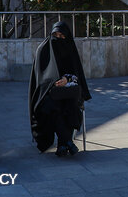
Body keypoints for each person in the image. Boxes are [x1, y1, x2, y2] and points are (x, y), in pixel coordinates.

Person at [29, 21, 91, 156]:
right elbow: (41, 78)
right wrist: (55, 82)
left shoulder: (70, 49)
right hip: (46, 93)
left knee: (70, 105)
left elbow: (77, 75)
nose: (58, 38)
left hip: (68, 92)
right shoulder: (43, 49)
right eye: (55, 34)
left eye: (62, 35)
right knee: (53, 106)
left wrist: (67, 80)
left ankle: (63, 144)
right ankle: (67, 141)